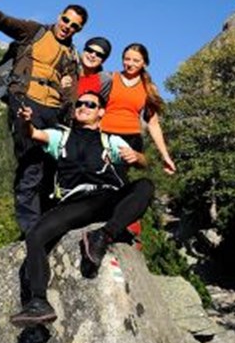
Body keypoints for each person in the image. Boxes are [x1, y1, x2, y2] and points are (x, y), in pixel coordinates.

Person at [9, 91, 154, 327]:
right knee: (35, 235)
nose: (83, 107)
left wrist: (135, 155)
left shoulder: (111, 140)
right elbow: (34, 133)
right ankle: (38, 303)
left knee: (145, 186)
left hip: (108, 197)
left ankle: (103, 236)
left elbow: (143, 162)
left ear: (101, 112)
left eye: (90, 104)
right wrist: (25, 121)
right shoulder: (61, 137)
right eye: (80, 104)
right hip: (76, 202)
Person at [0, 0, 85, 235]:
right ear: (59, 16)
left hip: (53, 111)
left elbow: (72, 92)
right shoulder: (34, 31)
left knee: (51, 168)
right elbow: (4, 21)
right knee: (31, 163)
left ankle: (46, 223)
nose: (68, 27)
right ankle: (30, 230)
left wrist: (69, 100)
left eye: (74, 26)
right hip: (25, 101)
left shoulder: (72, 54)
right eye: (66, 20)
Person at [100, 43, 177, 175]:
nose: (130, 64)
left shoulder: (149, 88)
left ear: (145, 63)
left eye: (136, 60)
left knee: (117, 178)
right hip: (103, 135)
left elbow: (153, 124)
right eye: (127, 59)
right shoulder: (110, 78)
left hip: (130, 141)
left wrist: (165, 156)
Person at [76, 36, 113, 102]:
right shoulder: (68, 68)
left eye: (99, 54)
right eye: (90, 50)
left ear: (103, 60)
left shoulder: (104, 80)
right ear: (83, 51)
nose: (93, 55)